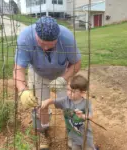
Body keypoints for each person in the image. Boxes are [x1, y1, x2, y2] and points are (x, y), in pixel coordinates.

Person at [13, 16, 81, 149]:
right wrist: (22, 90)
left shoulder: (67, 37)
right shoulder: (25, 38)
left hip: (62, 73)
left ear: (58, 37)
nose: (45, 48)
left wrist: (63, 79)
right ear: (36, 35)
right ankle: (43, 131)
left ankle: (73, 135)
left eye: (50, 45)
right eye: (41, 43)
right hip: (38, 73)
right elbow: (18, 69)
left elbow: (77, 64)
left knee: (69, 103)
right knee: (39, 104)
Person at [41, 75, 95, 150]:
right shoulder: (65, 101)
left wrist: (82, 116)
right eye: (68, 90)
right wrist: (46, 101)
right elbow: (53, 100)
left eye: (72, 91)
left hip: (85, 137)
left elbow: (90, 116)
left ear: (82, 93)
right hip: (73, 136)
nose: (69, 93)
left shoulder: (86, 103)